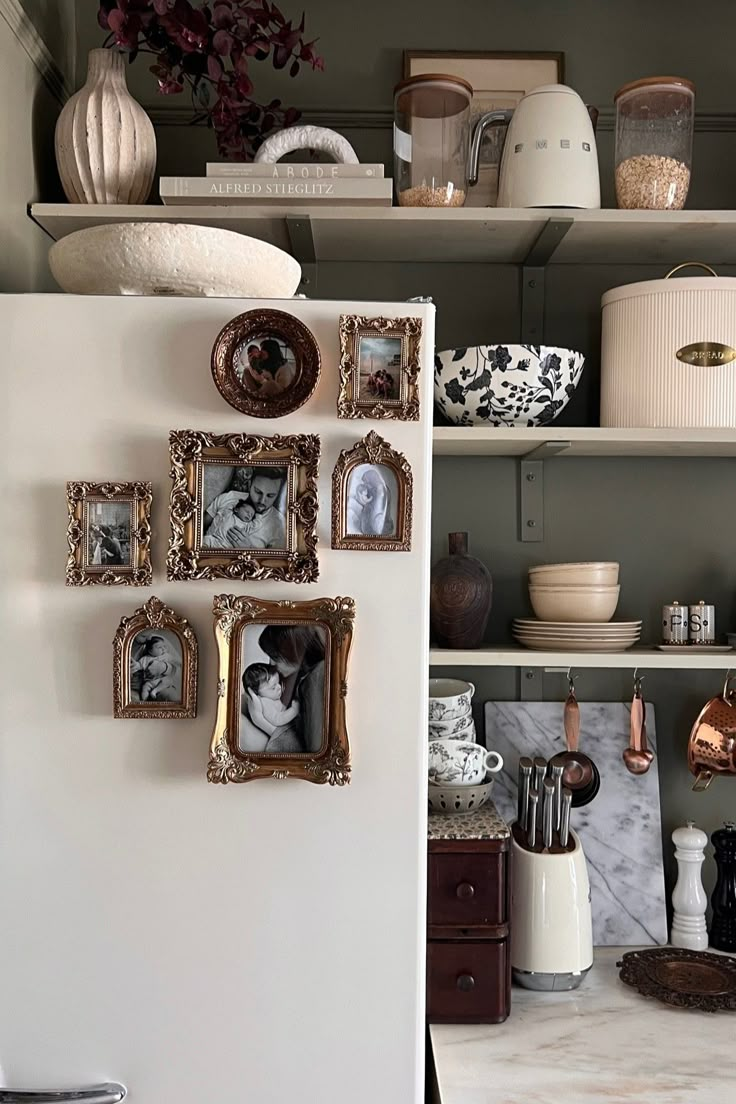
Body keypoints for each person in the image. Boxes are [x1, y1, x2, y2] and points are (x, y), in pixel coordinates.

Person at [238, 625, 325, 754]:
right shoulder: (298, 674)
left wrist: (261, 722)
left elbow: (312, 750)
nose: (272, 665)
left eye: (276, 657)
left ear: (291, 652)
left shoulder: (315, 678)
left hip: (285, 741)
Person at [204, 467, 286, 550]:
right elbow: (197, 528)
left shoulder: (279, 525)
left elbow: (274, 561)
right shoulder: (229, 497)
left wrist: (249, 549)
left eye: (270, 496)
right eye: (257, 492)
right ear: (250, 484)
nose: (262, 501)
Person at [242, 663, 301, 729]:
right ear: (257, 694)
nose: (279, 687)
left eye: (278, 682)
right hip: (283, 731)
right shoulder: (264, 703)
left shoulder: (269, 696)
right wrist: (294, 710)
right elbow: (278, 720)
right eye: (273, 687)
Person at [131, 636, 181, 702]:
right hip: (150, 682)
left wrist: (165, 667)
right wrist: (135, 666)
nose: (163, 649)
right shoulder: (145, 658)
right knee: (145, 688)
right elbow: (139, 666)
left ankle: (155, 691)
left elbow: (177, 663)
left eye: (164, 647)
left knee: (168, 681)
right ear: (150, 650)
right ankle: (143, 702)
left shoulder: (165, 656)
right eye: (159, 647)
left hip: (161, 681)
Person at [347, 467, 392, 537]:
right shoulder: (379, 489)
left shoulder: (379, 490)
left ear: (371, 480)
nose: (366, 485)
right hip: (372, 524)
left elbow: (374, 506)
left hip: (375, 524)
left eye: (367, 482)